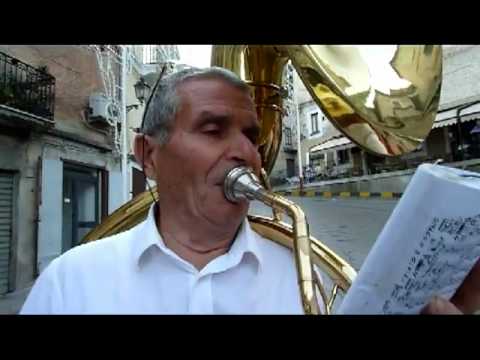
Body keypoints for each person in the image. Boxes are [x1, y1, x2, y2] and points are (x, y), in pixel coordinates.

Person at [20, 67, 480, 314]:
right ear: (149, 155)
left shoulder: (315, 283)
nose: (247, 152)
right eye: (214, 129)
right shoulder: (69, 282)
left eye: (251, 136)